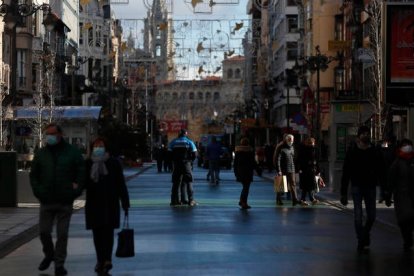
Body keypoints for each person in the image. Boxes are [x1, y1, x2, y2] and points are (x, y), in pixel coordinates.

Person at [29, 123, 85, 276]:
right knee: (44, 232)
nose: (50, 137)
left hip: (65, 200)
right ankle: (49, 254)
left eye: (53, 134)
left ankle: (59, 264)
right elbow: (34, 175)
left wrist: (76, 189)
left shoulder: (72, 152)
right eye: (48, 134)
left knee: (62, 234)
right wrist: (39, 191)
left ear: (60, 134)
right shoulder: (41, 153)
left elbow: (81, 172)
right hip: (46, 199)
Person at [84, 137, 130, 274]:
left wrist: (125, 202)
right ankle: (100, 259)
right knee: (97, 235)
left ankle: (107, 259)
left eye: (101, 146)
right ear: (92, 148)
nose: (99, 148)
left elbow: (121, 184)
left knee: (108, 234)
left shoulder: (113, 163)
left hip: (110, 203)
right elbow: (83, 182)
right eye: (96, 146)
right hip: (93, 204)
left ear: (106, 148)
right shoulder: (88, 163)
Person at [340, 125, 386, 252]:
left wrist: (384, 190)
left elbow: (382, 171)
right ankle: (361, 238)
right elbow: (346, 172)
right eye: (364, 133)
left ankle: (365, 234)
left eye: (368, 133)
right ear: (358, 136)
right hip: (357, 186)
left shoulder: (375, 151)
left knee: (371, 216)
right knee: (358, 216)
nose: (366, 136)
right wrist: (343, 193)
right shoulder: (353, 151)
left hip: (371, 186)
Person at [385, 138, 414, 252]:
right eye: (405, 145)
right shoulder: (397, 163)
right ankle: (407, 239)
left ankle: (408, 238)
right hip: (401, 196)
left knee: (410, 218)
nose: (407, 147)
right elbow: (391, 180)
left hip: (412, 196)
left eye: (409, 145)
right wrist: (388, 195)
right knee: (403, 220)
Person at [168, 129, 197, 206]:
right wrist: (190, 161)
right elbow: (194, 154)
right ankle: (191, 200)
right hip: (186, 164)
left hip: (177, 164)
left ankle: (174, 200)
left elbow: (169, 153)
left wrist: (173, 161)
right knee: (189, 181)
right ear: (185, 134)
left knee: (176, 182)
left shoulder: (173, 142)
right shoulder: (189, 142)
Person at [234, 138, 262, 209]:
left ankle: (242, 201)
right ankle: (244, 203)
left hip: (240, 172)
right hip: (247, 172)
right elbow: (253, 163)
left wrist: (236, 173)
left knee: (245, 187)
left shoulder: (238, 152)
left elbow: (235, 164)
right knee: (246, 188)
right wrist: (258, 170)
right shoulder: (249, 152)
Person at [273, 134, 299, 206]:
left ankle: (295, 199)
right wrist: (279, 170)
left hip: (291, 168)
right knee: (281, 185)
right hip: (283, 169)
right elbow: (277, 159)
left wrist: (295, 168)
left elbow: (294, 158)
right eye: (289, 140)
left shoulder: (292, 147)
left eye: (292, 140)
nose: (291, 142)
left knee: (293, 184)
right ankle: (278, 199)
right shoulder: (280, 147)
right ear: (286, 140)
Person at [297, 137, 320, 206]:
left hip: (312, 170)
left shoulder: (314, 150)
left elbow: (317, 160)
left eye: (313, 143)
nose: (312, 144)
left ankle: (308, 199)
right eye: (311, 143)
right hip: (304, 170)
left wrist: (318, 170)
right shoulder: (303, 150)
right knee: (306, 186)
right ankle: (308, 199)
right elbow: (299, 160)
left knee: (310, 185)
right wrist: (300, 168)